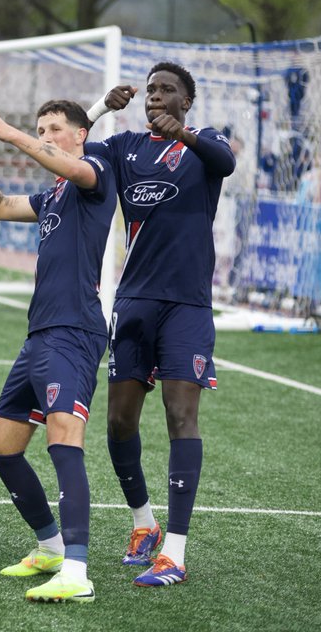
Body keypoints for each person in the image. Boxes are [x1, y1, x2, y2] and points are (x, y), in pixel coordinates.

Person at [85, 62, 236, 587]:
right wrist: (104, 107)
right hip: (134, 302)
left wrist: (187, 136)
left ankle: (175, 551)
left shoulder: (205, 145)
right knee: (118, 423)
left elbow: (227, 162)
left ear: (185, 101)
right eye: (150, 89)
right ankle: (143, 524)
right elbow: (69, 145)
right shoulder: (125, 147)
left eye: (166, 90)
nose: (155, 96)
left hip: (187, 305)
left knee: (180, 416)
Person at [0, 101, 115, 603]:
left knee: (64, 440)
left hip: (75, 330)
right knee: (1, 448)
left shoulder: (94, 171)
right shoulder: (52, 195)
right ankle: (50, 546)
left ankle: (77, 570)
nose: (46, 136)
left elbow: (66, 163)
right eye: (40, 129)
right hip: (41, 334)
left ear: (81, 134)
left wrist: (9, 133)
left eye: (55, 130)